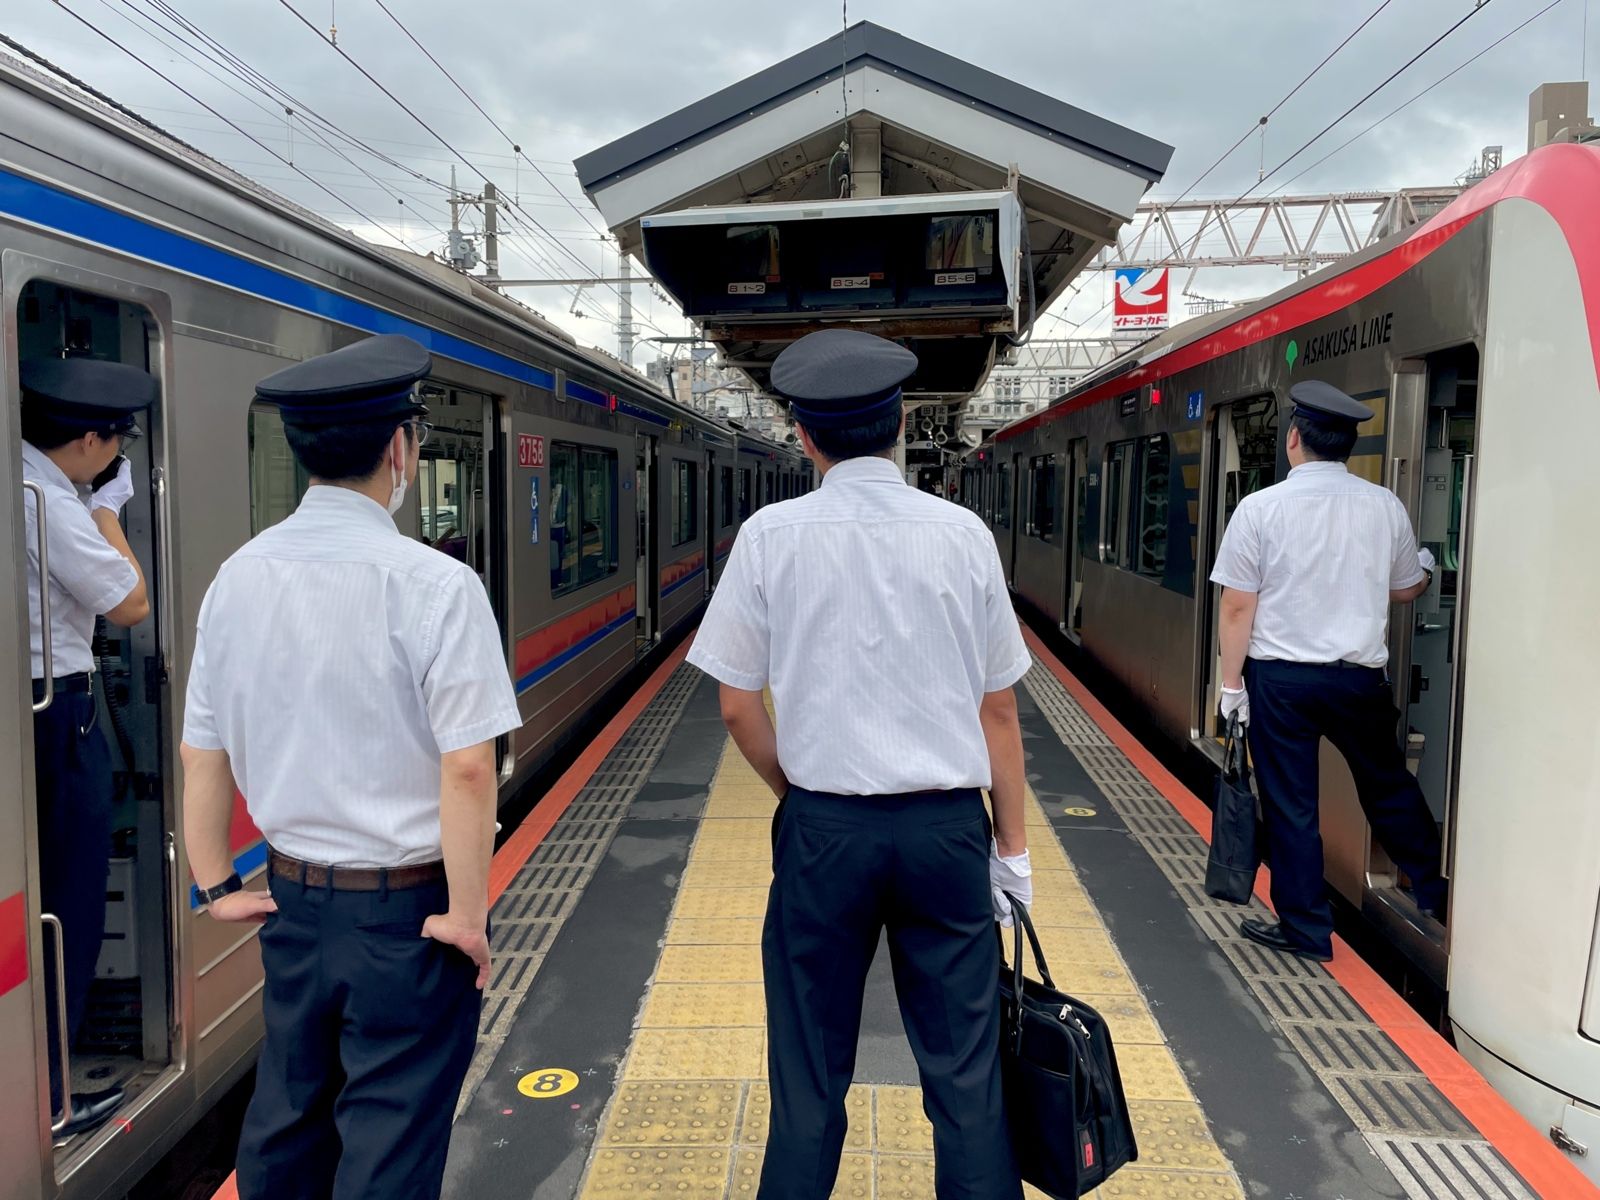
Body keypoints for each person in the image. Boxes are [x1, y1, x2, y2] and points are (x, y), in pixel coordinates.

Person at [687, 328, 1034, 1200]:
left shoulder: (769, 537)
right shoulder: (963, 535)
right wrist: (1015, 853)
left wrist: (796, 791)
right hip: (947, 835)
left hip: (823, 832)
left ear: (804, 437)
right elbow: (999, 709)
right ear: (904, 423)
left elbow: (736, 703)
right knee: (966, 1078)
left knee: (807, 1077)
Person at [179, 334, 521, 1200]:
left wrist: (218, 884)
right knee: (392, 1140)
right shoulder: (438, 584)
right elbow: (470, 771)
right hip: (408, 911)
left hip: (293, 908)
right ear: (402, 449)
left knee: (289, 1127)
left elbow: (202, 751)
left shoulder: (236, 579)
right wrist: (469, 918)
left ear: (300, 454)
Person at [1210, 379, 1445, 962]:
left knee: (1292, 805)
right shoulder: (1383, 505)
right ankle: (1434, 890)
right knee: (1388, 785)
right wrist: (1428, 570)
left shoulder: (1258, 509)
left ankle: (1307, 930)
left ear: (1294, 439)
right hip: (1357, 679)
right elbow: (1406, 588)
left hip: (1281, 682)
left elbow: (1239, 606)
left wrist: (1230, 686)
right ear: (1346, 446)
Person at [21, 357, 154, 1138]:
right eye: (117, 446)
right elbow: (131, 602)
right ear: (93, 441)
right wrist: (109, 513)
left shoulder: (26, 477)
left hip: (32, 709)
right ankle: (49, 1100)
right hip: (55, 715)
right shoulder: (52, 501)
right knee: (68, 898)